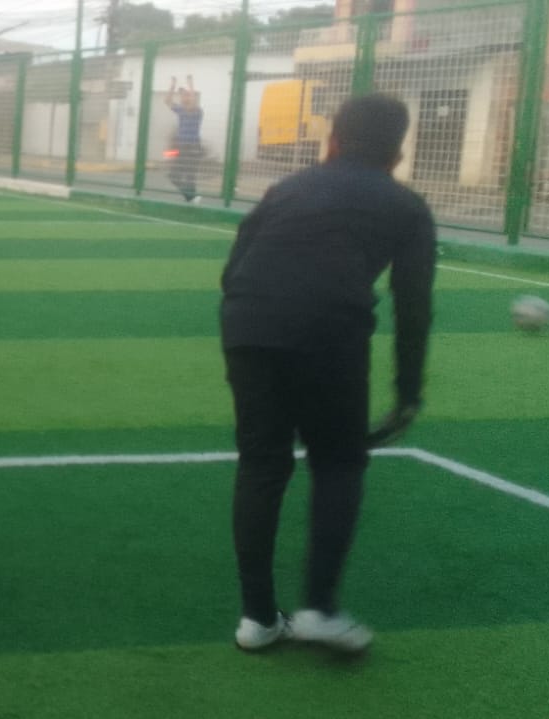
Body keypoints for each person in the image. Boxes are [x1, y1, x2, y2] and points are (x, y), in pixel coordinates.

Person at [223, 94, 436, 654]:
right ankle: (319, 608)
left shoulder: (286, 189)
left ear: (332, 141)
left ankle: (257, 620)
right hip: (330, 332)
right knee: (339, 461)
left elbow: (234, 269)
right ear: (398, 153)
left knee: (262, 464)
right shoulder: (408, 207)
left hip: (247, 324)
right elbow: (413, 305)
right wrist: (407, 393)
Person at [166, 76, 203, 203]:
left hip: (193, 147)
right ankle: (191, 197)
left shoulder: (197, 111)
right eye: (182, 95)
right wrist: (172, 85)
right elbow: (167, 101)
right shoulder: (180, 110)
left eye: (187, 95)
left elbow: (192, 104)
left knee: (190, 176)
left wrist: (191, 84)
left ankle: (191, 198)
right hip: (182, 147)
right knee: (173, 176)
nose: (184, 98)